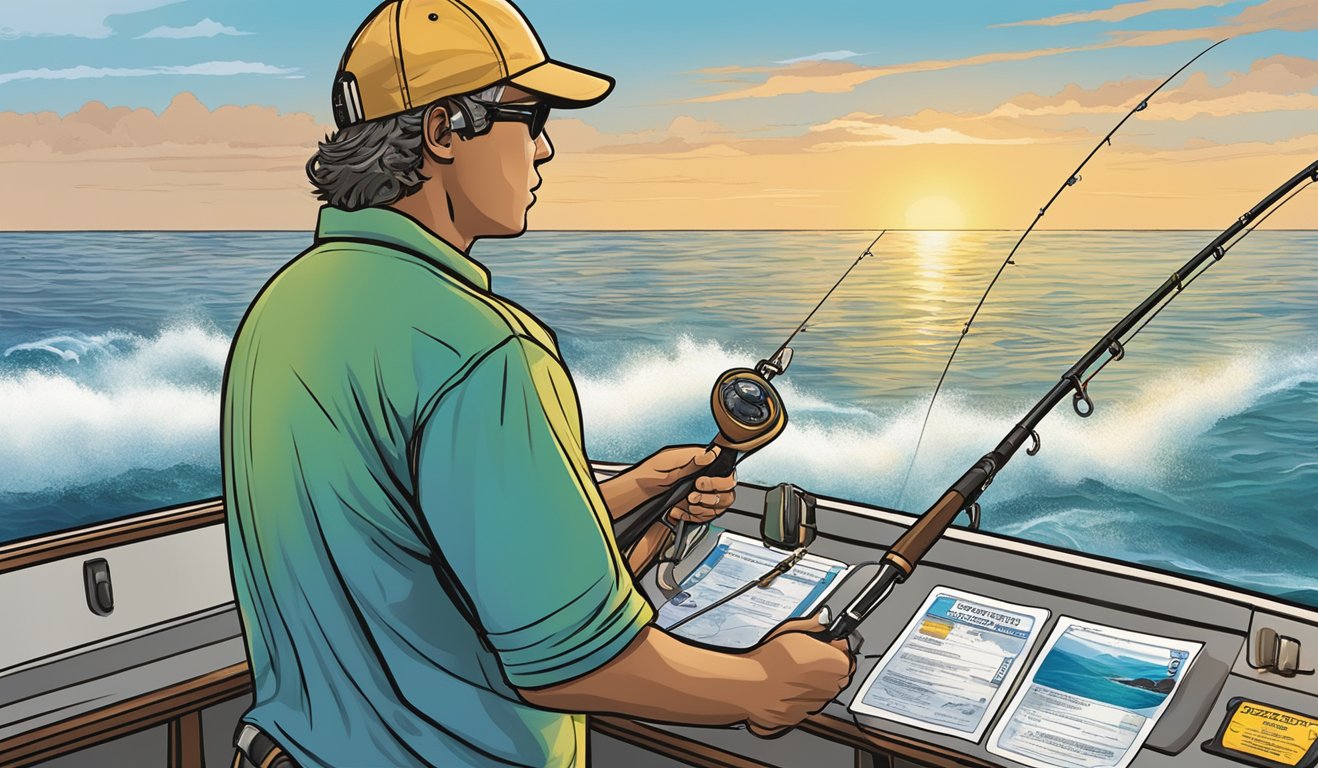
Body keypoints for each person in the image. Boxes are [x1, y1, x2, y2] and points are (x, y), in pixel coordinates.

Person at [220, 1, 854, 766]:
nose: (545, 148)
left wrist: (632, 492)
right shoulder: (486, 352)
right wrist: (761, 683)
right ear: (443, 130)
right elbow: (572, 665)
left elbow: (409, 547)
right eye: (530, 116)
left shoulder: (284, 308)